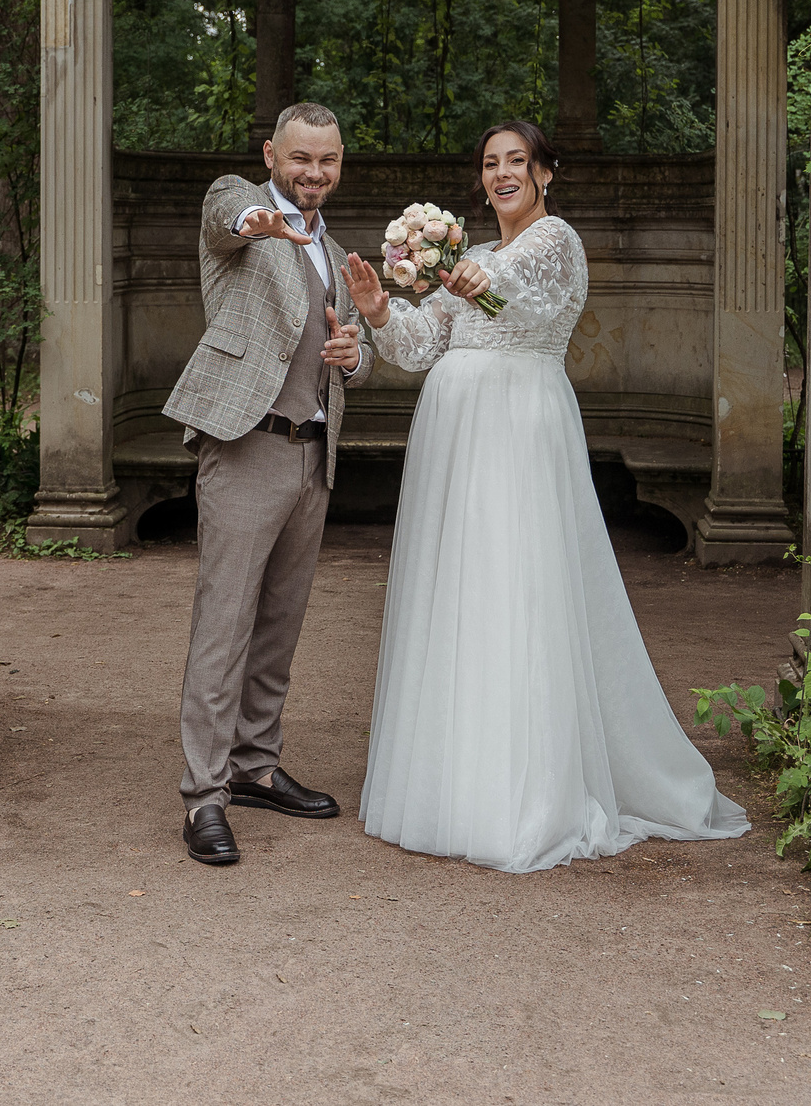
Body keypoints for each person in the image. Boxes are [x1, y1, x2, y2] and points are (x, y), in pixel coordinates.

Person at [340, 119, 750, 873]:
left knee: (517, 587)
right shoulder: (475, 252)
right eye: (491, 162)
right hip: (455, 438)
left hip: (516, 427)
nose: (502, 173)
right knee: (460, 592)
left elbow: (527, 304)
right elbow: (420, 347)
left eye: (517, 161)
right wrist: (378, 310)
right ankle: (452, 785)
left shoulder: (556, 242)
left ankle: (525, 794)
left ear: (544, 173)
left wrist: (477, 280)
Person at [159, 102, 376, 867]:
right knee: (224, 625)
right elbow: (230, 219)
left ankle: (255, 764)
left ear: (340, 164)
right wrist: (262, 219)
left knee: (280, 625)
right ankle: (204, 796)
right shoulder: (239, 203)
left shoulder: (337, 252)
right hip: (246, 446)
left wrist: (355, 355)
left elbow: (356, 356)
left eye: (328, 159)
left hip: (313, 456)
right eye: (300, 157)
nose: (314, 171)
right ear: (271, 155)